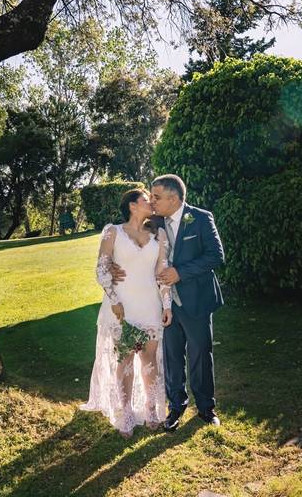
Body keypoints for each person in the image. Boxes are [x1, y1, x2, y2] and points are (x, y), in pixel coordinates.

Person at [112, 174, 225, 431]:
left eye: (157, 197)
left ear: (174, 199)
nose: (152, 201)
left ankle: (206, 408)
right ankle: (176, 407)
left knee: (200, 354)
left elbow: (216, 256)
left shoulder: (201, 218)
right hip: (163, 303)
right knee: (172, 356)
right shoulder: (154, 219)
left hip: (195, 299)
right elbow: (128, 235)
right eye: (150, 196)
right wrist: (114, 266)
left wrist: (180, 273)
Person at [80, 188, 173, 437]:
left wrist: (166, 306)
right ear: (132, 205)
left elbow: (162, 273)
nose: (151, 202)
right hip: (122, 306)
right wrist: (113, 301)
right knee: (125, 360)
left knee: (149, 360)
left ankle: (151, 409)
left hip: (150, 305)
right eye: (146, 199)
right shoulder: (113, 232)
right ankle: (126, 412)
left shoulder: (159, 234)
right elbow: (101, 270)